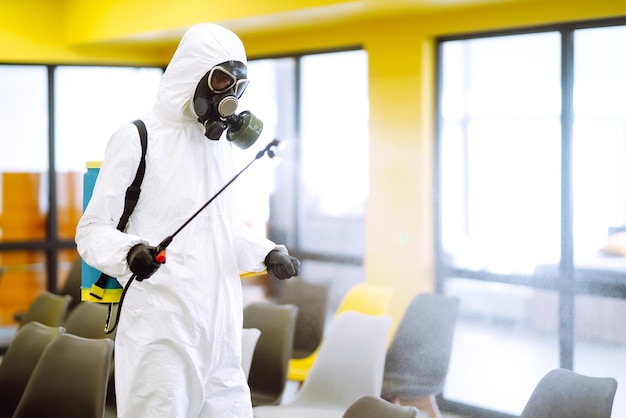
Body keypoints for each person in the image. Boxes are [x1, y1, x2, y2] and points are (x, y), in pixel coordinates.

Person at [76, 23, 300, 418]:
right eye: (220, 80)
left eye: (237, 86)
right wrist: (130, 252)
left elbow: (221, 232)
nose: (228, 96)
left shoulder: (218, 150)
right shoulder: (137, 137)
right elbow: (91, 230)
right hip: (160, 333)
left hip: (221, 333)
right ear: (191, 72)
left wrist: (267, 253)